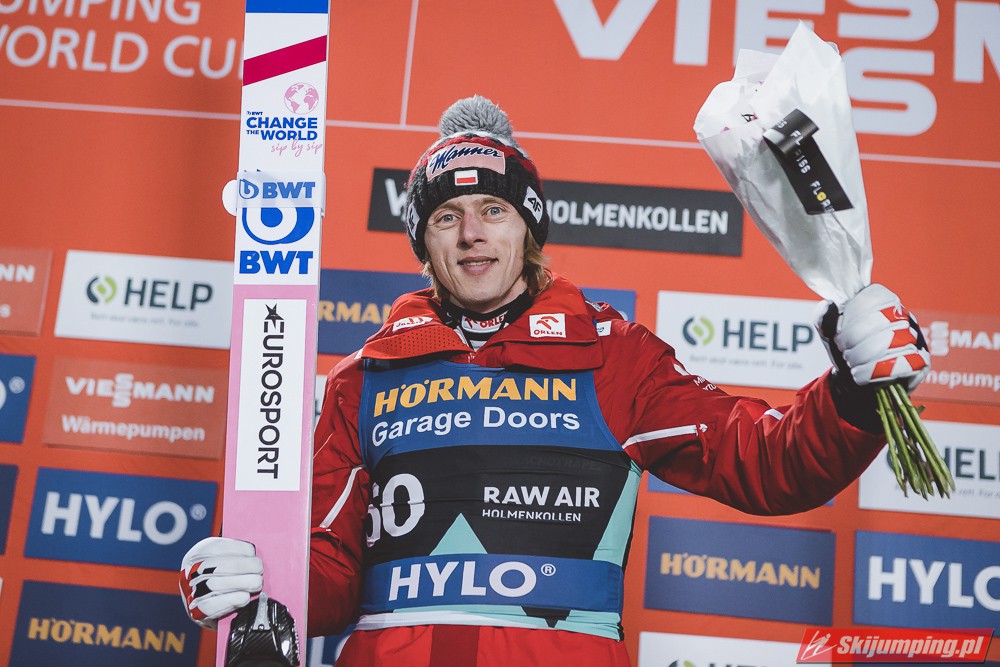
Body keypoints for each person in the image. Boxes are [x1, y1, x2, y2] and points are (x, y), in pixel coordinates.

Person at [180, 96, 930, 666]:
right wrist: (257, 583)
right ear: (423, 243)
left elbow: (768, 463)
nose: (472, 233)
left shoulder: (613, 356)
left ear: (527, 227)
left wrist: (854, 391)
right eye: (446, 217)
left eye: (494, 209)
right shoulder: (363, 378)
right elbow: (332, 576)